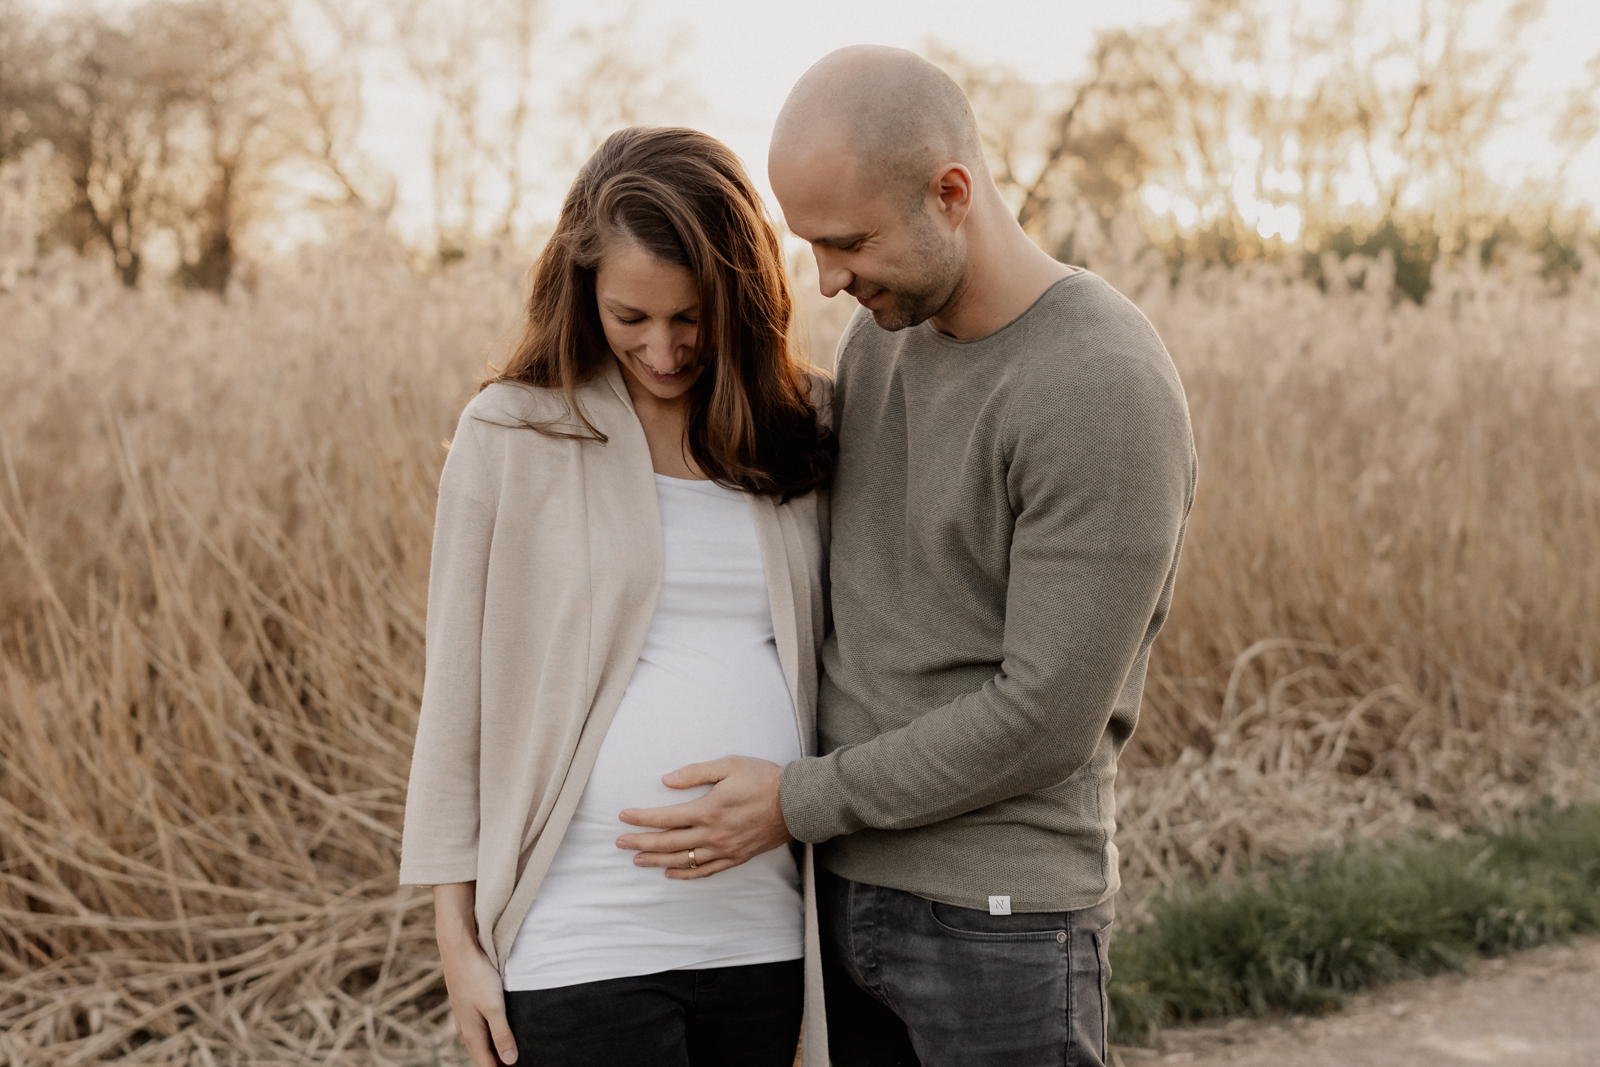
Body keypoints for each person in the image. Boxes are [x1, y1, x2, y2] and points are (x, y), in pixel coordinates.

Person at [617, 48, 1197, 1066]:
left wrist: (795, 800)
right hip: (845, 899)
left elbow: (1044, 718)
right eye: (811, 246)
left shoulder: (1099, 381)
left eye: (848, 243)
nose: (829, 280)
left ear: (951, 194)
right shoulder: (881, 339)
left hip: (999, 925)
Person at [399, 126, 836, 1067]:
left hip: (764, 940)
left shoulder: (803, 426)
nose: (664, 349)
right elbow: (456, 699)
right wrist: (455, 941)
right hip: (580, 940)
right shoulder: (512, 432)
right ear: (581, 288)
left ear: (743, 302)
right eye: (630, 316)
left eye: (692, 318)